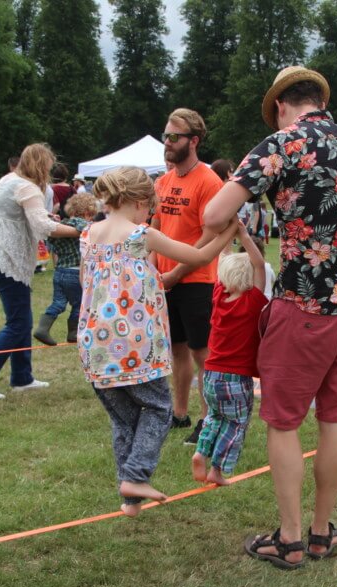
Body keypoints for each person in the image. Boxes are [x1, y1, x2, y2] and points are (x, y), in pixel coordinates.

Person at [203, 65, 337, 569]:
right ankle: (321, 534)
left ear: (280, 106)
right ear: (320, 99)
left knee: (284, 423)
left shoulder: (280, 145)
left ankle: (290, 540)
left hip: (303, 307)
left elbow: (212, 215)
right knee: (336, 420)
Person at [78, 166, 236, 516]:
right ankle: (135, 477)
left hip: (95, 345)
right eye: (150, 209)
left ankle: (130, 498)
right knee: (160, 409)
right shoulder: (142, 235)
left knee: (124, 420)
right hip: (133, 345)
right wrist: (231, 231)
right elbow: (199, 257)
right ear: (138, 203)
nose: (149, 215)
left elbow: (89, 282)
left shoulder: (88, 235)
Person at [0, 143, 80, 401]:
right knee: (18, 323)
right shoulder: (27, 187)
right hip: (6, 261)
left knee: (21, 318)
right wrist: (80, 231)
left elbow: (26, 215)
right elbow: (42, 227)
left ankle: (22, 378)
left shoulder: (9, 179)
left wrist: (46, 216)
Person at [153, 108, 225, 444]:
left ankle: (208, 420)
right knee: (176, 349)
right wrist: (154, 269)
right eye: (165, 135)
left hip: (197, 280)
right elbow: (156, 227)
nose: (167, 142)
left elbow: (208, 237)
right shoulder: (163, 181)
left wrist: (177, 271)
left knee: (202, 353)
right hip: (165, 279)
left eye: (174, 136)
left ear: (193, 141)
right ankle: (179, 413)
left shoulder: (209, 182)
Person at [191, 225, 268, 486]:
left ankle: (201, 452)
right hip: (236, 379)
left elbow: (223, 257)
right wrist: (244, 235)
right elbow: (259, 265)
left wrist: (228, 232)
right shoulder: (251, 302)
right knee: (236, 423)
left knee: (214, 417)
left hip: (210, 374)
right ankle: (217, 470)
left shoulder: (219, 297)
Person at [33, 193, 97, 346]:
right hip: (75, 272)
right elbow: (87, 229)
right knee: (79, 304)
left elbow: (52, 242)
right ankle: (73, 333)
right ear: (87, 213)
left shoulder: (61, 225)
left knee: (58, 303)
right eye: (91, 216)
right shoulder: (81, 223)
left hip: (60, 271)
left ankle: (42, 328)